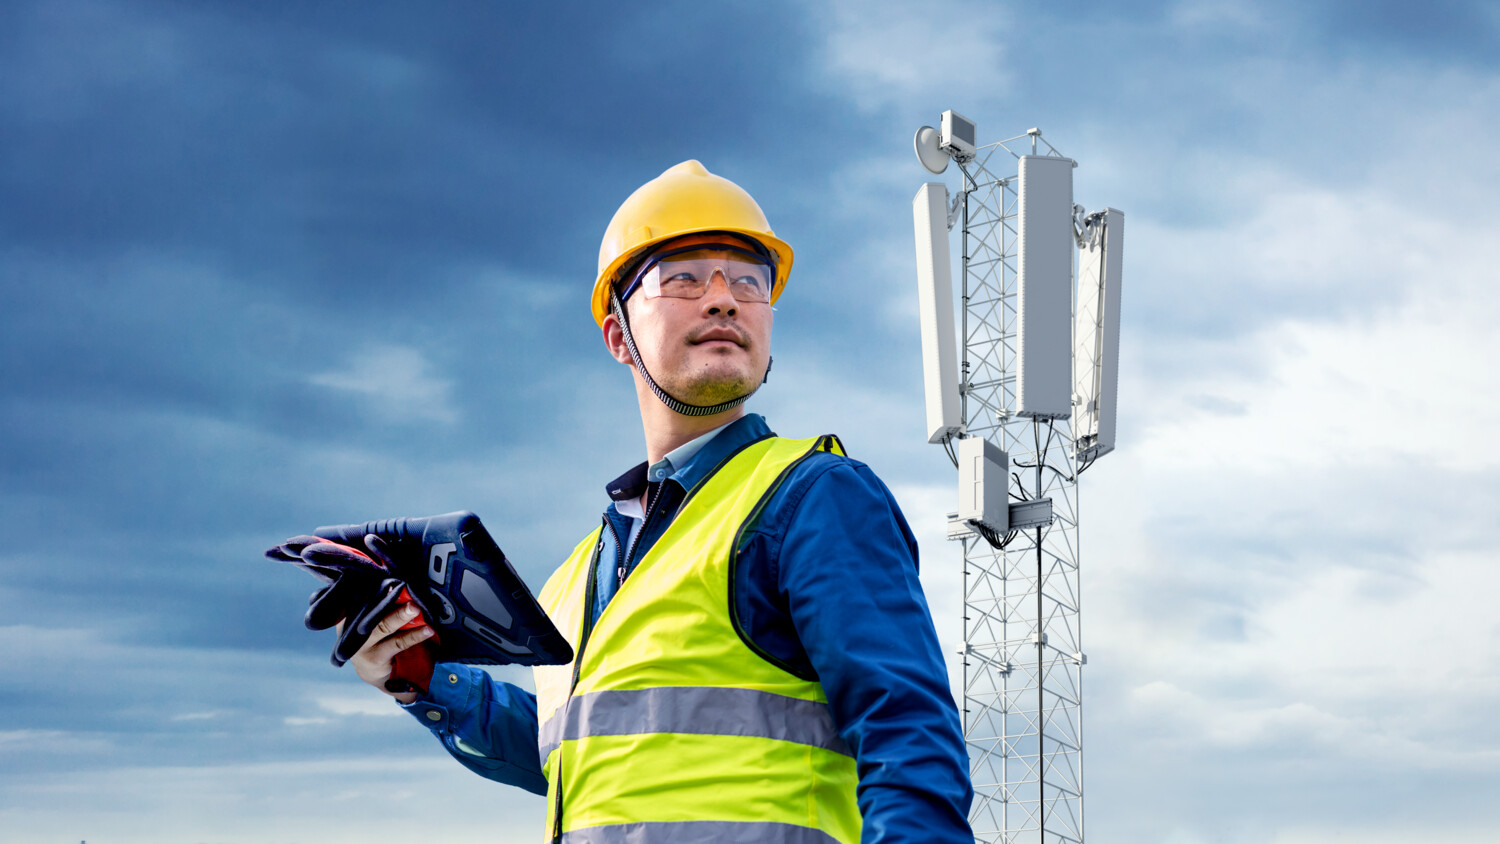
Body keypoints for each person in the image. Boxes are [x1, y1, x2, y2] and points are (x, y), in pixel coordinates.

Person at [347, 160, 973, 843]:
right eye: (684, 277)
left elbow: (908, 737)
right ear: (619, 336)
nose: (724, 299)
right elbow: (583, 759)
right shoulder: (580, 575)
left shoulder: (813, 497)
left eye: (748, 281)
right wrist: (421, 674)